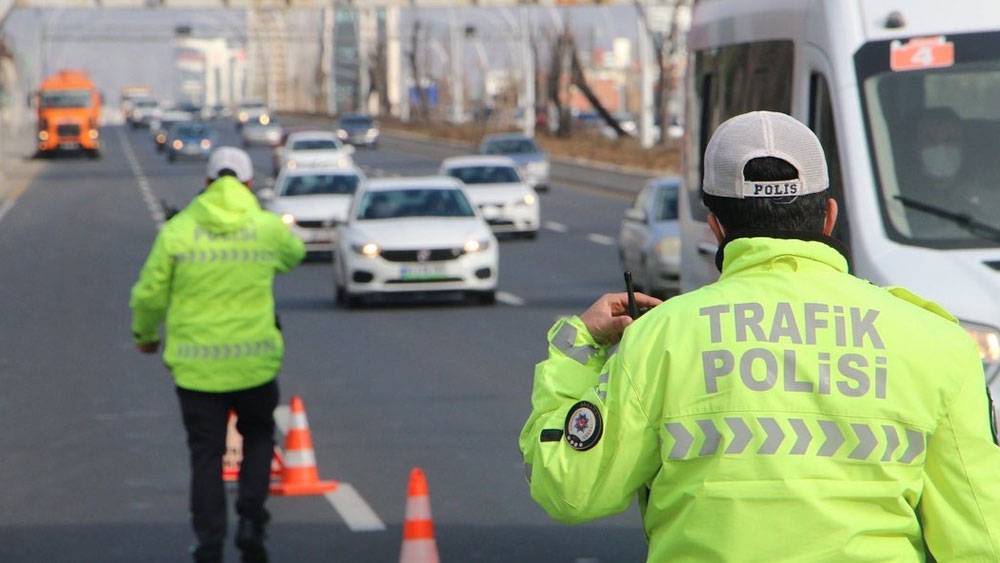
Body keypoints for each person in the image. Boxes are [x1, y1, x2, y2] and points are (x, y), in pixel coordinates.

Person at [520, 111, 1000, 561]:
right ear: (829, 216)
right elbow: (982, 536)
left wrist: (577, 346)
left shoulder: (662, 338)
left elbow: (570, 490)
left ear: (716, 227)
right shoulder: (935, 342)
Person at [130, 147, 305, 563]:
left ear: (206, 184)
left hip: (197, 370)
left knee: (205, 455)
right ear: (248, 185)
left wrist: (145, 335)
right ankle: (251, 520)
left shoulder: (178, 231)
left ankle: (209, 542)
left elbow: (150, 293)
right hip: (254, 363)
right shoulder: (264, 228)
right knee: (259, 437)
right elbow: (295, 254)